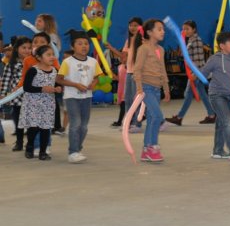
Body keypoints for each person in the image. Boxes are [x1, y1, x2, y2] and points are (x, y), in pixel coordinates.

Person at [200, 32, 230, 162]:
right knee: (227, 123)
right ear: (222, 46)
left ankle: (218, 151)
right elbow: (203, 73)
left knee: (221, 123)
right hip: (217, 95)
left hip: (229, 96)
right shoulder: (215, 59)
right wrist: (198, 75)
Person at [131, 19, 170, 163]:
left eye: (163, 29)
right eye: (159, 29)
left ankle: (147, 151)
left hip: (156, 88)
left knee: (153, 118)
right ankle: (152, 146)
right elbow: (137, 69)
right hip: (146, 87)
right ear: (149, 32)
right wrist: (139, 89)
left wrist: (166, 88)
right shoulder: (143, 49)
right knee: (157, 116)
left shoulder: (161, 50)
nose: (163, 31)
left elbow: (162, 69)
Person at [56, 32, 98, 163]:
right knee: (76, 123)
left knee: (84, 126)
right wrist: (75, 85)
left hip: (87, 97)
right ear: (72, 46)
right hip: (71, 97)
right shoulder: (67, 62)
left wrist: (93, 84)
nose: (84, 46)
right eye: (80, 44)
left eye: (86, 44)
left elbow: (96, 77)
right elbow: (59, 79)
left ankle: (78, 149)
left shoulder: (93, 61)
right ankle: (73, 152)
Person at [166, 20, 214, 126]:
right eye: (183, 29)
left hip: (196, 72)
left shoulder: (196, 40)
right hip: (196, 72)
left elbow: (198, 60)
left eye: (187, 29)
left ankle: (179, 117)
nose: (185, 31)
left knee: (188, 94)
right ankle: (212, 115)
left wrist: (195, 74)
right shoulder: (190, 40)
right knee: (202, 94)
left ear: (194, 29)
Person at [19, 44, 60, 161]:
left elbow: (57, 84)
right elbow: (26, 87)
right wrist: (42, 89)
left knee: (45, 128)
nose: (52, 57)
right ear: (39, 57)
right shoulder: (33, 70)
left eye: (52, 54)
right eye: (48, 55)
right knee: (34, 128)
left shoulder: (55, 71)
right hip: (33, 104)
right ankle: (29, 148)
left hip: (48, 104)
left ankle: (43, 152)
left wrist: (58, 88)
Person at [108, 17, 143, 127]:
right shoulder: (129, 40)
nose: (132, 27)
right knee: (127, 99)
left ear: (141, 27)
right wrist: (111, 48)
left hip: (138, 73)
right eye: (131, 25)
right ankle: (129, 121)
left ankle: (137, 123)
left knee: (137, 100)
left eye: (135, 25)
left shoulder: (143, 41)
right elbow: (123, 57)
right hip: (129, 72)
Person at [2, 37, 30, 151]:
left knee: (31, 122)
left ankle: (31, 143)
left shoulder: (34, 63)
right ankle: (19, 142)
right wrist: (3, 94)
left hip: (32, 97)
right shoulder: (11, 64)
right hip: (17, 98)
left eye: (29, 48)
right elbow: (6, 80)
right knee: (18, 121)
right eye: (24, 47)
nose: (27, 50)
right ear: (17, 48)